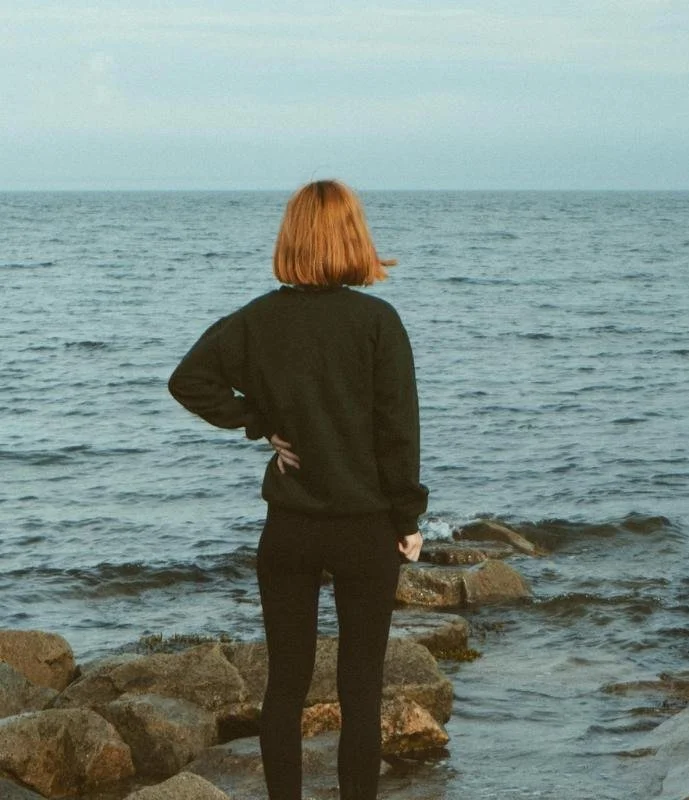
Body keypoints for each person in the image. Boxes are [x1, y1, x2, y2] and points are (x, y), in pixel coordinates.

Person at [168, 179, 428, 800]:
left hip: (289, 529)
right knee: (360, 689)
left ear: (291, 239)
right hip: (365, 528)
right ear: (354, 239)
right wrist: (408, 517)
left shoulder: (258, 320)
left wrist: (262, 422)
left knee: (284, 685)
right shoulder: (377, 322)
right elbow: (398, 432)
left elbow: (189, 381)